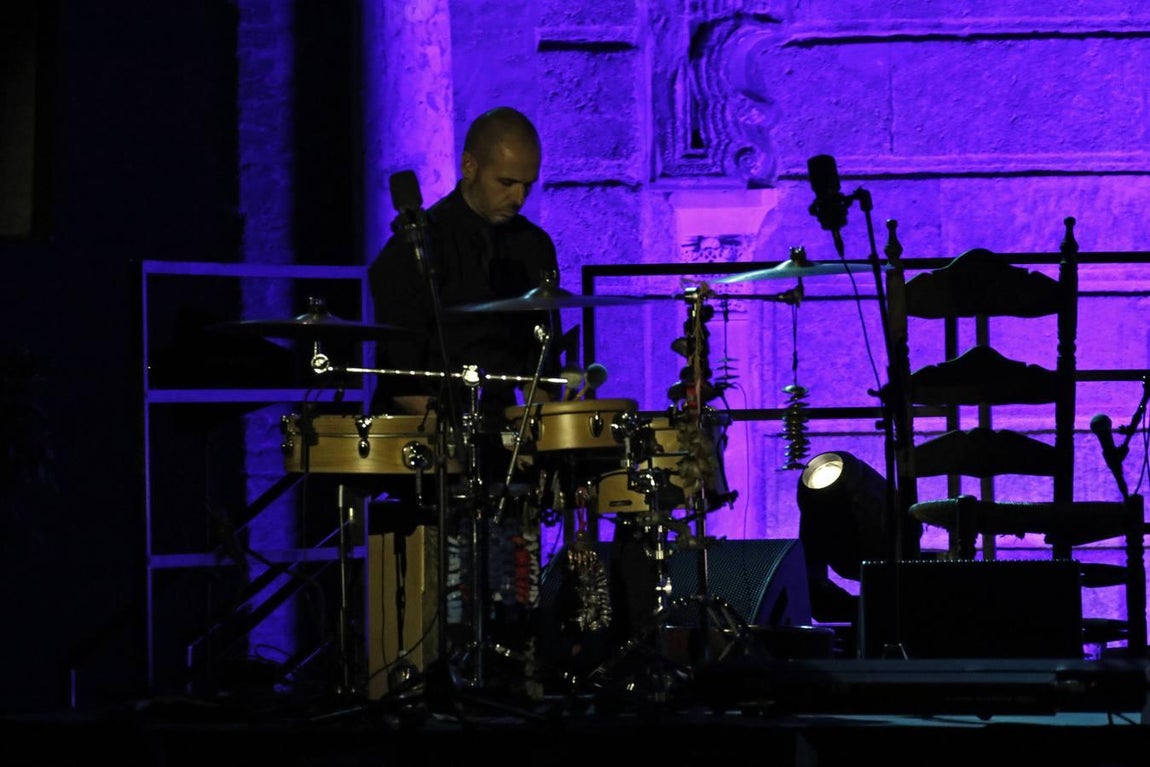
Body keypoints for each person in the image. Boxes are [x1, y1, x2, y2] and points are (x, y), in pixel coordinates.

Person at [368, 106, 568, 703]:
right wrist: (451, 431)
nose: (518, 195)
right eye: (507, 182)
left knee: (517, 563)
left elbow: (544, 365)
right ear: (470, 166)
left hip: (505, 434)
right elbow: (400, 368)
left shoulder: (534, 248)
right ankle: (435, 666)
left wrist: (542, 427)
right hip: (435, 439)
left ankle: (517, 663)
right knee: (450, 569)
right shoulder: (415, 249)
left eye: (528, 184)